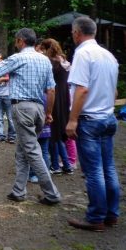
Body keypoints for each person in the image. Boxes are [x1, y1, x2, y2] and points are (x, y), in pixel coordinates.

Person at [0, 29, 61, 206]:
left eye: (15, 41)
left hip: (22, 107)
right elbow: (51, 89)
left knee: (32, 151)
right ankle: (19, 190)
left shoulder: (17, 58)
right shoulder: (44, 60)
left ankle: (52, 194)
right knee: (22, 150)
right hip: (38, 108)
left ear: (20, 41)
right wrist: (48, 112)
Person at [66, 17, 120, 232]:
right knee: (109, 168)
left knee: (94, 171)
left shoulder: (82, 54)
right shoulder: (109, 56)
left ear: (77, 33)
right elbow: (115, 91)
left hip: (89, 120)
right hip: (108, 118)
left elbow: (82, 89)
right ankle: (111, 214)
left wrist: (72, 119)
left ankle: (96, 216)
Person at [38, 39, 72, 175]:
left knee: (51, 133)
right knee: (57, 133)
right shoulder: (63, 62)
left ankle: (56, 166)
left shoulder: (51, 64)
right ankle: (66, 164)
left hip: (54, 99)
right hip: (63, 98)